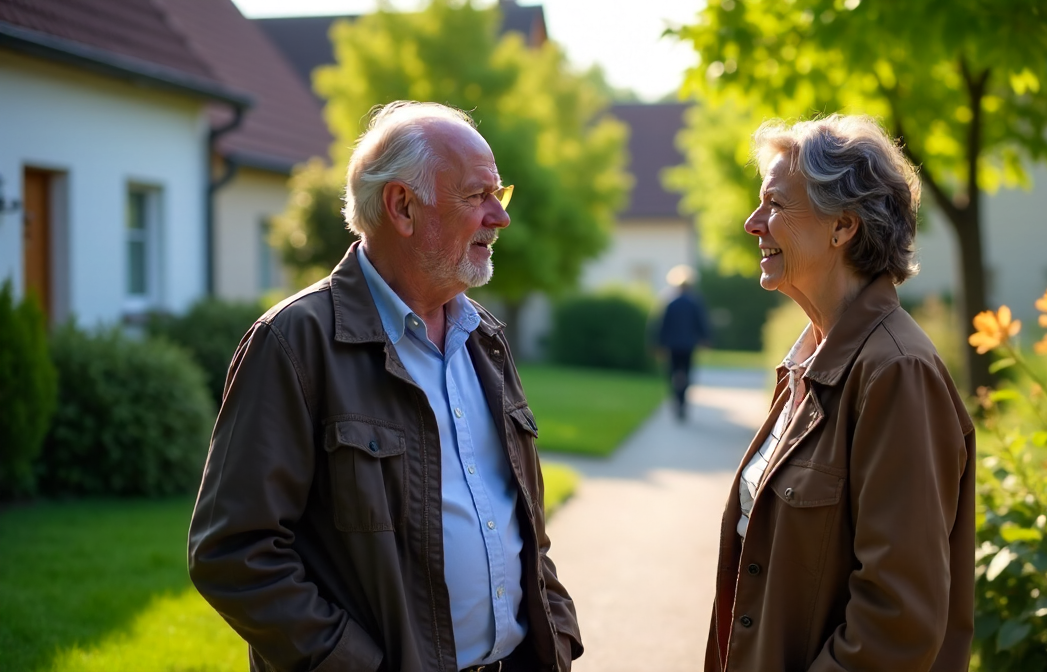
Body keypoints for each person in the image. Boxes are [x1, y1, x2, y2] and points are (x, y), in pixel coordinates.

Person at [188, 101, 582, 672]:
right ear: (403, 206)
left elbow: (521, 526)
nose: (500, 217)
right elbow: (234, 553)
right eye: (477, 196)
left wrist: (558, 636)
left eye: (501, 194)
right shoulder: (297, 342)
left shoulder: (484, 338)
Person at [705, 115, 975, 672]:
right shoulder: (812, 362)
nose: (753, 223)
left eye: (776, 205)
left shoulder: (896, 373)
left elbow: (895, 620)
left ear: (842, 227)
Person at [657, 265, 710, 420]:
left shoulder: (669, 302)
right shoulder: (695, 302)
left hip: (672, 345)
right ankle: (682, 401)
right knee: (686, 374)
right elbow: (701, 323)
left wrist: (659, 343)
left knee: (673, 373)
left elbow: (661, 324)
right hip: (688, 345)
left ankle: (676, 399)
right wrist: (705, 339)